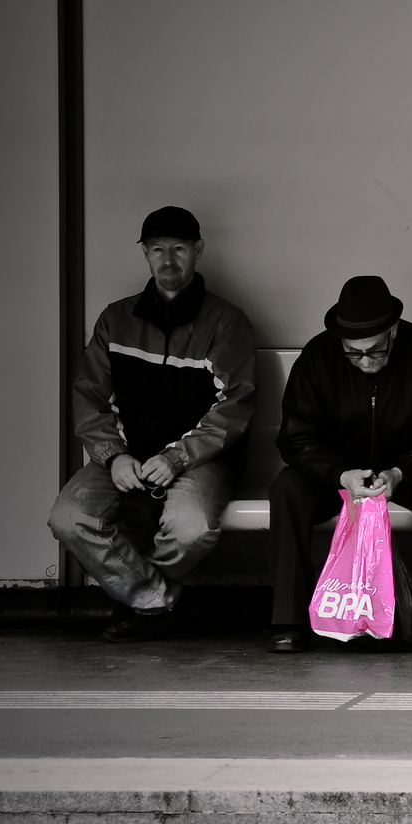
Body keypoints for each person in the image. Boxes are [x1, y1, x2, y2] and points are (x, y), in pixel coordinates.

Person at [49, 206, 256, 642]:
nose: (168, 261)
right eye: (157, 249)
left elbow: (234, 406)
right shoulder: (116, 319)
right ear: (144, 253)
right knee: (69, 517)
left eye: (179, 249)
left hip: (201, 459)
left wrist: (179, 456)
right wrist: (112, 455)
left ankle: (138, 603)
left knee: (190, 530)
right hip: (127, 453)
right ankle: (157, 603)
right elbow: (88, 396)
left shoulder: (226, 322)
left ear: (198, 250)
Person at [268, 276, 412, 653]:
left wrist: (403, 471)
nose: (365, 362)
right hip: (339, 473)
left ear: (393, 331)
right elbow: (295, 438)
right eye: (353, 353)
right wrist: (338, 474)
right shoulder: (317, 356)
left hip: (407, 471)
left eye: (374, 351)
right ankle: (288, 619)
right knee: (287, 489)